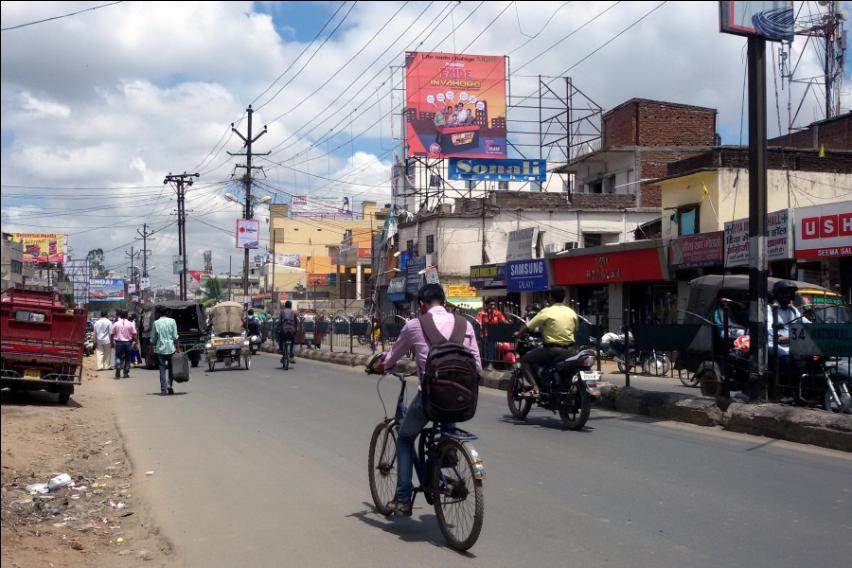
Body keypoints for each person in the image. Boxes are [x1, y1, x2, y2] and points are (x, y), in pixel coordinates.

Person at [371, 284, 482, 516]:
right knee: (445, 427)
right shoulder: (466, 324)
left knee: (403, 438)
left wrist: (382, 366)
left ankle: (402, 498)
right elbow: (478, 368)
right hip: (463, 398)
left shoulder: (415, 325)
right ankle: (447, 454)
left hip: (431, 399)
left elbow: (393, 357)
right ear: (443, 301)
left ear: (421, 304)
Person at [514, 287, 578, 392]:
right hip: (570, 350)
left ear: (550, 298)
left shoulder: (547, 311)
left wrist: (518, 334)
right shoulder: (571, 312)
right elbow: (576, 329)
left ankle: (535, 388)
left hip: (552, 350)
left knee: (524, 360)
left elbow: (528, 326)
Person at [151, 311, 180, 395]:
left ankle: (163, 390)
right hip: (171, 348)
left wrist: (152, 346)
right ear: (167, 313)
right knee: (171, 368)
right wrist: (178, 347)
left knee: (162, 369)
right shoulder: (172, 321)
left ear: (159, 314)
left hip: (160, 349)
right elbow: (175, 336)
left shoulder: (156, 323)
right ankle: (169, 385)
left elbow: (153, 338)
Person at [111, 309, 137, 379]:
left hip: (118, 343)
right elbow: (134, 334)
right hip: (128, 343)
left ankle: (118, 366)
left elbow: (112, 334)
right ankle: (126, 373)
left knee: (118, 356)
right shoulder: (130, 324)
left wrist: (112, 342)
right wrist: (135, 342)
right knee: (128, 358)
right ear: (127, 316)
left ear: (120, 315)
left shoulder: (116, 324)